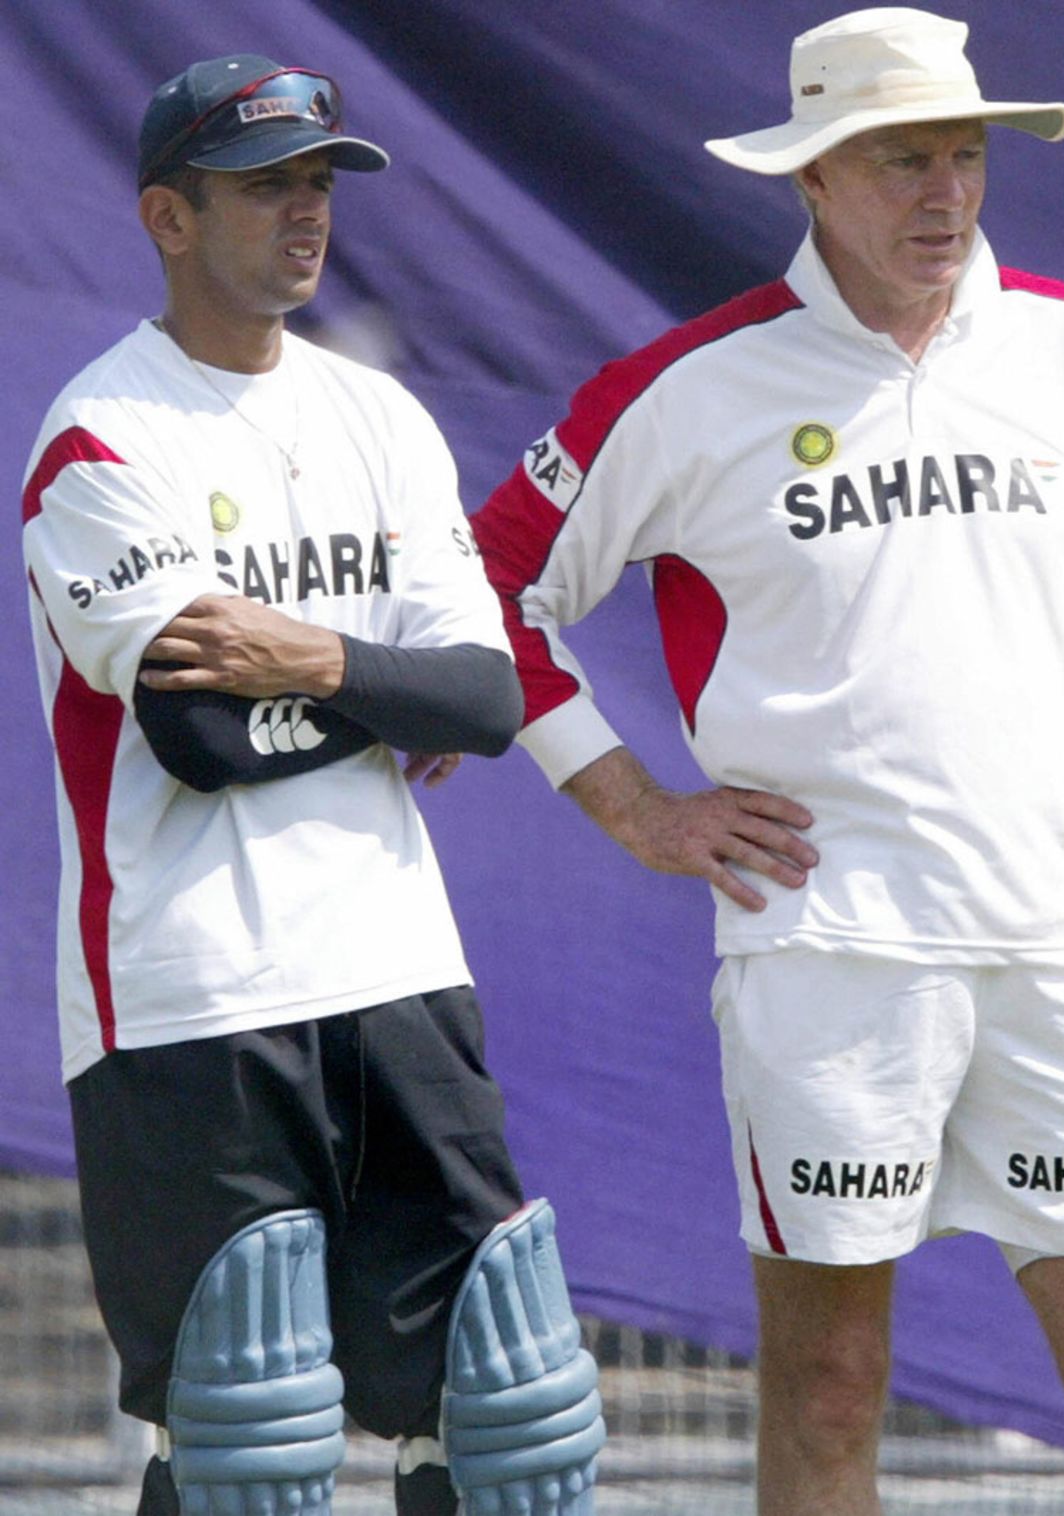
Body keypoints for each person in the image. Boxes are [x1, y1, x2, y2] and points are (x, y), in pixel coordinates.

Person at [471, 9, 1064, 1515]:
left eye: (964, 156)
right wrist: (622, 796)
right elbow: (491, 580)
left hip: (1054, 944)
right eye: (903, 161)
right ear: (814, 178)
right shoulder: (695, 386)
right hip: (826, 954)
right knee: (831, 1391)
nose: (944, 194)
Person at [22, 55, 604, 1516]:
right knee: (250, 1446)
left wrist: (300, 658)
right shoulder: (101, 442)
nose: (307, 213)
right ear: (167, 213)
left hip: (395, 967)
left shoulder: (380, 418)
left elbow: (484, 696)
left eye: (318, 182)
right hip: (190, 997)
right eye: (266, 184)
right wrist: (377, 679)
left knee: (511, 1421)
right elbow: (199, 745)